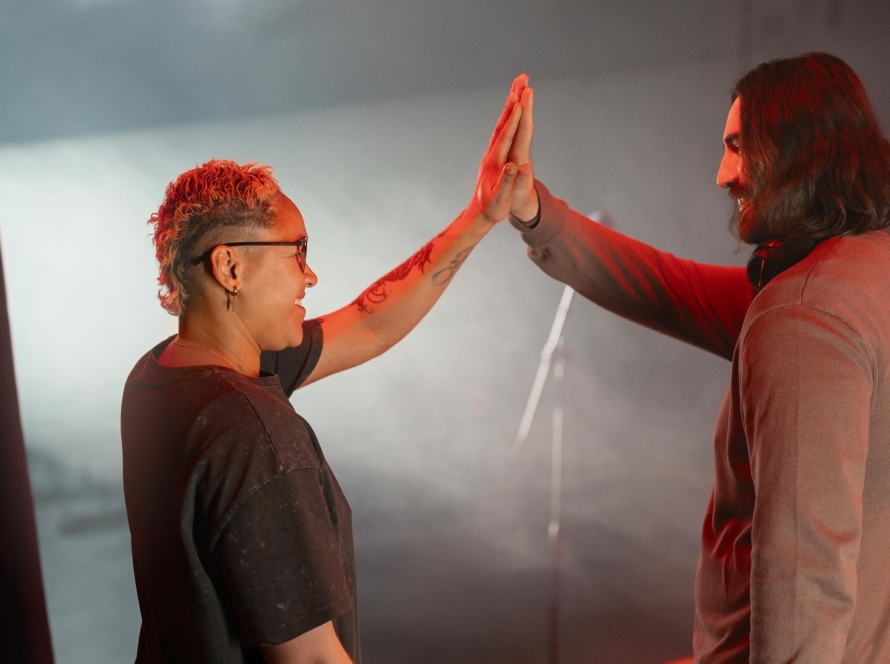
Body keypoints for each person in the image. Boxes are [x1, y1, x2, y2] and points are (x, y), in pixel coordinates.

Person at [120, 83, 526, 664]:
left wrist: (480, 215)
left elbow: (368, 325)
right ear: (230, 266)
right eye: (298, 252)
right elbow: (311, 658)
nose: (310, 276)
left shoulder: (158, 377)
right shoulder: (254, 435)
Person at [503, 55, 890, 662]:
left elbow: (804, 573)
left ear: (797, 147)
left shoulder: (804, 316)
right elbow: (667, 285)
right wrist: (534, 212)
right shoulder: (862, 276)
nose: (722, 175)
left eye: (738, 147)